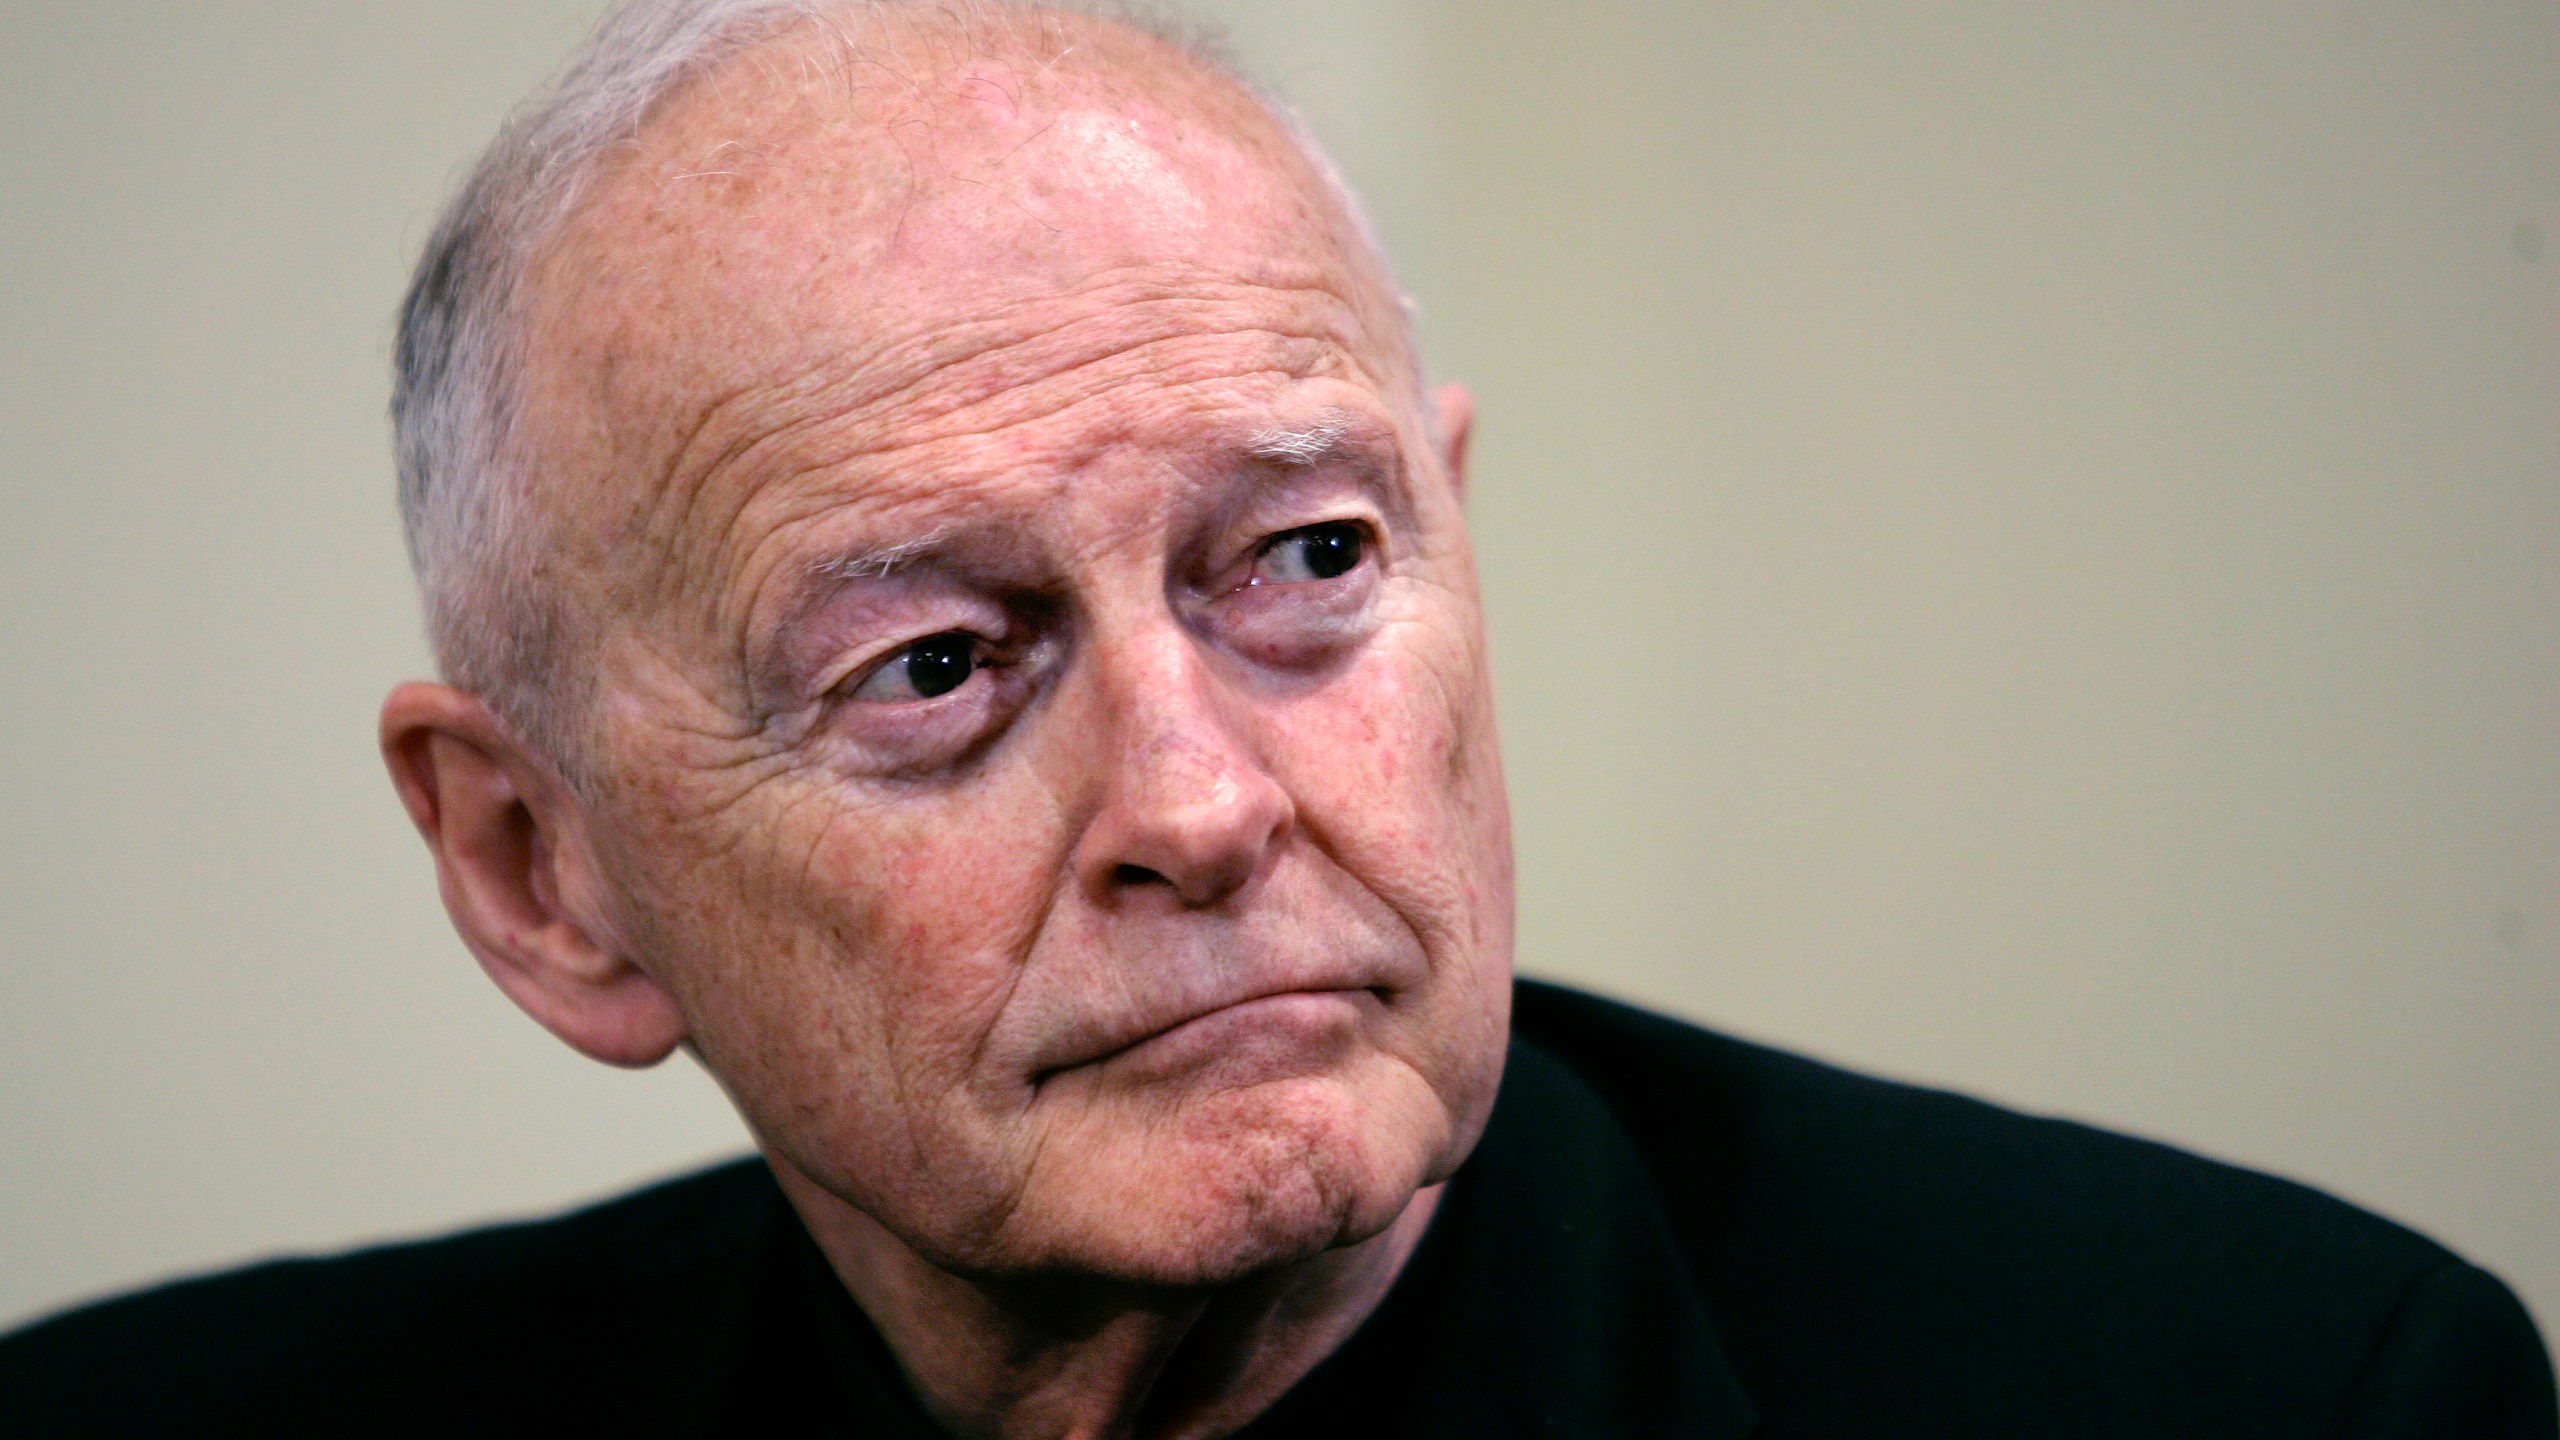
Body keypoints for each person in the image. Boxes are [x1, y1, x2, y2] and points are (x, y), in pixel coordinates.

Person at [2, 2, 2551, 1435]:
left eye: (1307, 563)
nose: (1205, 805)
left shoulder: (2272, 1416)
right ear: (539, 873)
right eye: (929, 668)